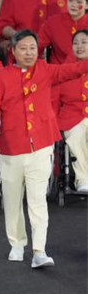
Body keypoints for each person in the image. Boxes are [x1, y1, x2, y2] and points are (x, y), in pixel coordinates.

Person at [0, 30, 88, 268]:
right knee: (11, 200)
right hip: (11, 147)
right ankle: (17, 244)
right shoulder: (0, 77)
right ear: (13, 51)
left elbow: (73, 69)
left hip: (41, 144)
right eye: (23, 48)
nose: (29, 53)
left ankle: (39, 250)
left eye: (33, 48)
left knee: (37, 200)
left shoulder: (46, 69)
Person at [52, 30, 88, 193]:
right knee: (76, 136)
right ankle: (83, 179)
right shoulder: (62, 71)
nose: (79, 46)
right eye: (76, 43)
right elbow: (53, 101)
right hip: (72, 118)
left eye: (84, 42)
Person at [39, 0, 88, 64]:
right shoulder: (52, 22)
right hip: (58, 71)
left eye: (78, 2)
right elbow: (38, 46)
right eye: (70, 0)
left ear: (87, 5)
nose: (73, 5)